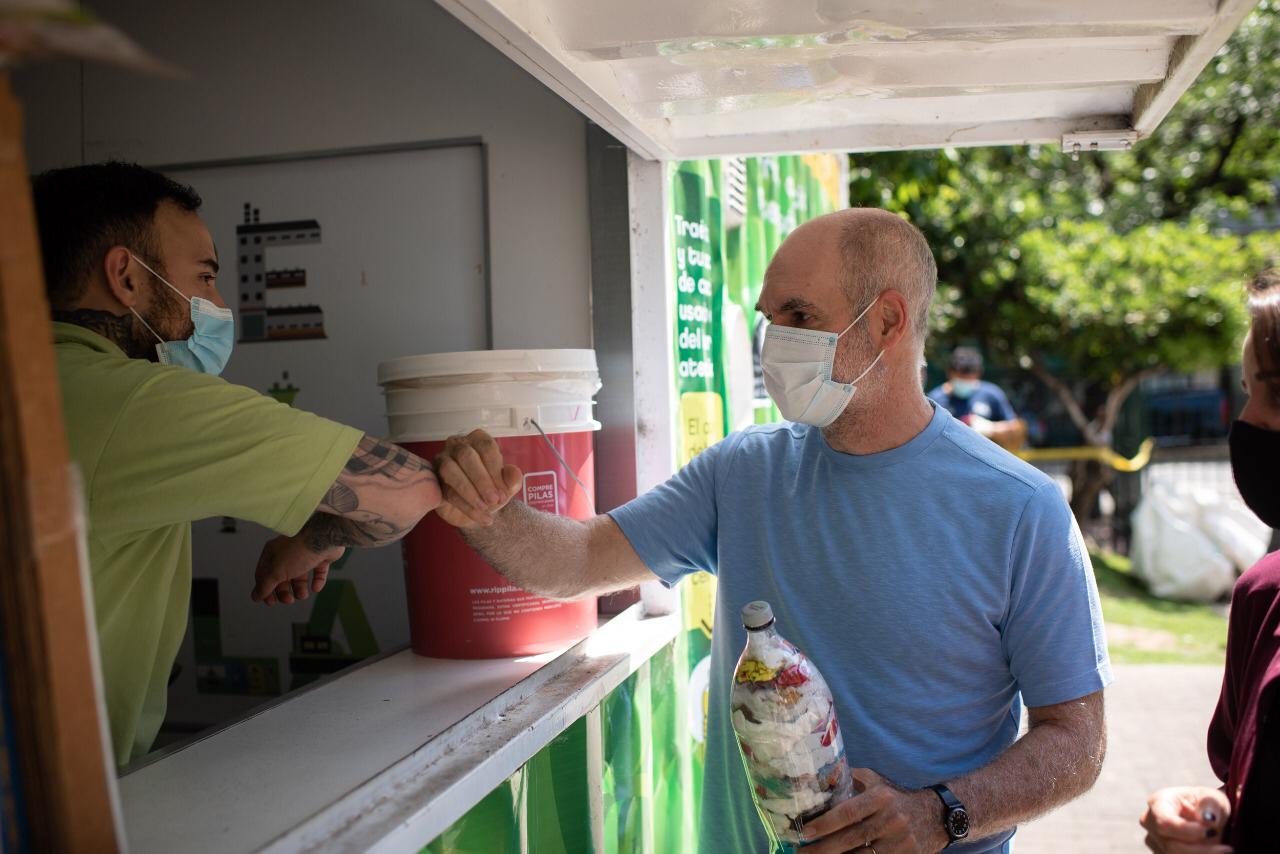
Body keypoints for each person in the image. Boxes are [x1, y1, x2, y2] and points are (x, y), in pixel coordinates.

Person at [434, 209, 1111, 853]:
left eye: (799, 316)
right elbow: (579, 560)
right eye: (769, 318)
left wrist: (940, 813)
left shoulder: (1018, 508)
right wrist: (489, 513)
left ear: (886, 322)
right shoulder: (743, 473)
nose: (773, 342)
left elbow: (1077, 741)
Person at [34, 162, 443, 767]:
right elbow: (406, 491)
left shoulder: (34, 387)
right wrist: (321, 535)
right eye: (204, 277)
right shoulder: (133, 403)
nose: (220, 305)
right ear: (125, 276)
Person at [1140, 268, 1280, 852]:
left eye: (1270, 392)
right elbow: (1243, 783)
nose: (1248, 422)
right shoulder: (1263, 593)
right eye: (1249, 390)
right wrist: (1214, 815)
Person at [928, 347, 1026, 450]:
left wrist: (991, 428)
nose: (965, 383)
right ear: (949, 373)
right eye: (961, 378)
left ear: (978, 374)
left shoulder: (992, 394)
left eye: (969, 379)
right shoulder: (935, 400)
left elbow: (1016, 429)